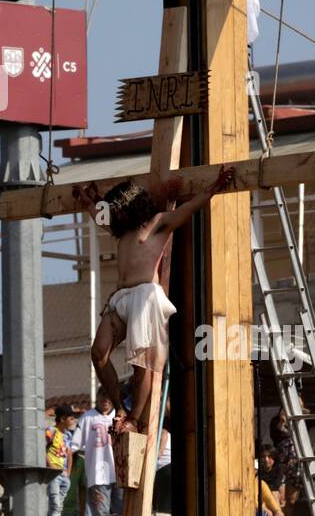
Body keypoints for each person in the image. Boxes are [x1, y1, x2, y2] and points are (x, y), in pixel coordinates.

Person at [75, 166, 235, 439]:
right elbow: (100, 215)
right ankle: (120, 409)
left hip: (144, 296)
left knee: (142, 364)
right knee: (98, 353)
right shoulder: (120, 228)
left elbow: (189, 209)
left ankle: (135, 419)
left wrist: (215, 188)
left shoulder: (158, 223)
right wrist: (90, 200)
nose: (114, 213)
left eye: (117, 208)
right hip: (121, 298)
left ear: (130, 206)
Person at [74, 393, 123, 516]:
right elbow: (74, 445)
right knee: (102, 514)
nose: (105, 400)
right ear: (97, 397)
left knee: (121, 512)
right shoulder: (87, 417)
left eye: (108, 397)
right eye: (102, 396)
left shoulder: (120, 416)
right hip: (99, 473)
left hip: (121, 472)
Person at [44, 404, 80, 516]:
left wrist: (68, 472)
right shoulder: (50, 431)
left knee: (59, 505)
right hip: (53, 474)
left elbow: (69, 453)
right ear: (62, 419)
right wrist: (51, 466)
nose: (74, 421)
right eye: (71, 418)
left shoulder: (68, 435)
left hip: (64, 474)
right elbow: (41, 448)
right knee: (55, 503)